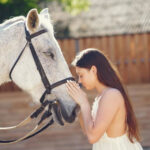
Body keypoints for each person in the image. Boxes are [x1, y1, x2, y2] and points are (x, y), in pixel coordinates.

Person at [66, 48, 143, 150]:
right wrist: (79, 103)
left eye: (81, 75)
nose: (79, 81)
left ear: (93, 70)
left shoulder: (111, 95)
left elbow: (92, 137)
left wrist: (84, 103)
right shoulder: (101, 96)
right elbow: (87, 130)